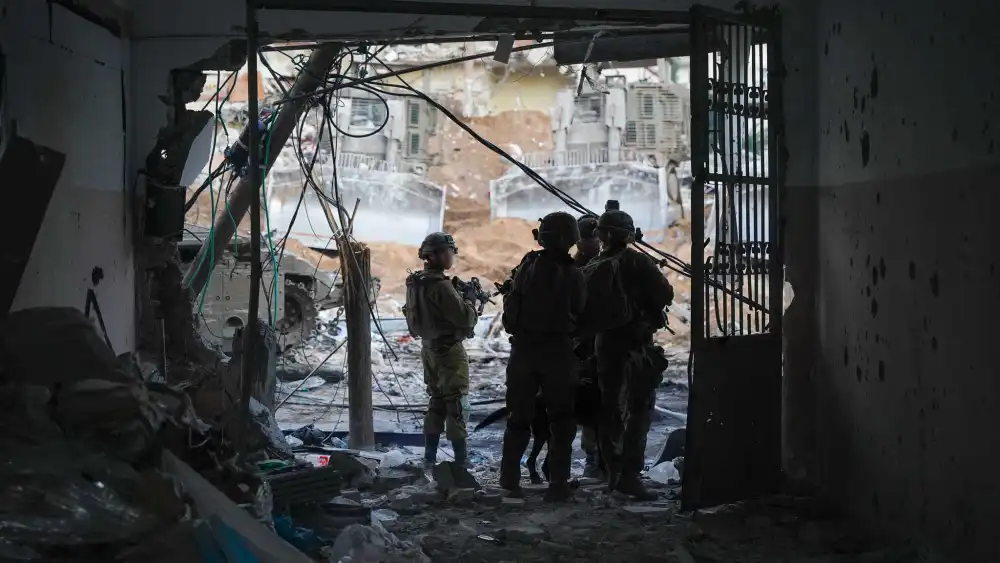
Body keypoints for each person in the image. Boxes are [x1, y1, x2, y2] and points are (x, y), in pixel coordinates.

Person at [583, 202, 673, 500]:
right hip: (637, 344)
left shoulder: (593, 266)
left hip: (606, 344)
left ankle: (612, 473)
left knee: (610, 409)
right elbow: (665, 294)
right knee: (639, 409)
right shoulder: (639, 262)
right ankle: (631, 476)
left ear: (602, 235)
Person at [498, 211, 587, 501]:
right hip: (557, 353)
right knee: (561, 419)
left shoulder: (526, 267)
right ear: (570, 239)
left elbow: (512, 310)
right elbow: (581, 312)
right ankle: (558, 484)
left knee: (518, 418)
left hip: (523, 351)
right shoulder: (574, 274)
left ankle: (509, 478)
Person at [403, 232, 480, 468]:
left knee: (436, 402)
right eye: (449, 251)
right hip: (449, 352)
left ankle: (429, 457)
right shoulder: (441, 285)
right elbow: (465, 319)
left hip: (429, 349)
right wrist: (470, 300)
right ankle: (461, 461)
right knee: (456, 404)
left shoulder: (416, 282)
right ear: (434, 255)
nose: (452, 256)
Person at [573, 215, 602, 476]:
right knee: (589, 403)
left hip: (604, 344)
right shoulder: (571, 269)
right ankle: (592, 459)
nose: (592, 243)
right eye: (587, 238)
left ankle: (605, 459)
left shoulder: (608, 264)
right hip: (582, 348)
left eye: (595, 238)